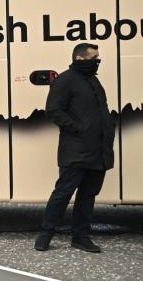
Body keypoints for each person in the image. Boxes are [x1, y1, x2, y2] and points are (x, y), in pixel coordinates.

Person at [35, 43, 115, 253]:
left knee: (88, 195)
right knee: (63, 193)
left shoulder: (93, 81)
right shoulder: (65, 80)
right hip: (76, 150)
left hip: (98, 150)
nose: (97, 61)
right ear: (80, 59)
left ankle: (81, 237)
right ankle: (45, 235)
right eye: (94, 57)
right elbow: (53, 110)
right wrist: (78, 128)